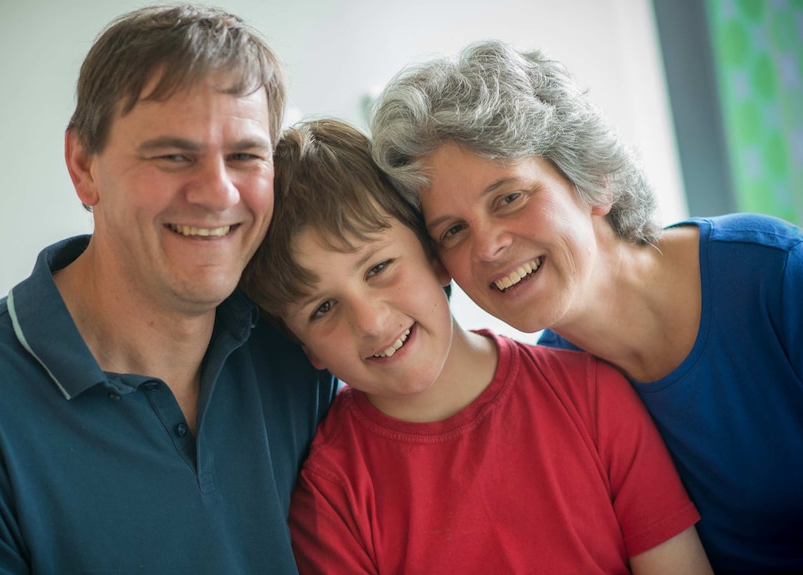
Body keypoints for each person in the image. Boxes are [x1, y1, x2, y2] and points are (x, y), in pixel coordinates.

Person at [369, 39, 803, 574]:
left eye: (509, 197)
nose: (485, 248)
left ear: (595, 178)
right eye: (453, 230)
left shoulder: (776, 278)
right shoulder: (563, 392)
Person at [0, 5, 337, 573]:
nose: (218, 194)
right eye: (174, 155)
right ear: (84, 165)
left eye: (246, 156)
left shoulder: (305, 342)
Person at [240, 118, 713, 574]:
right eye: (322, 309)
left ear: (435, 256)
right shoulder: (331, 492)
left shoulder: (593, 397)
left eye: (379, 268)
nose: (370, 321)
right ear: (307, 349)